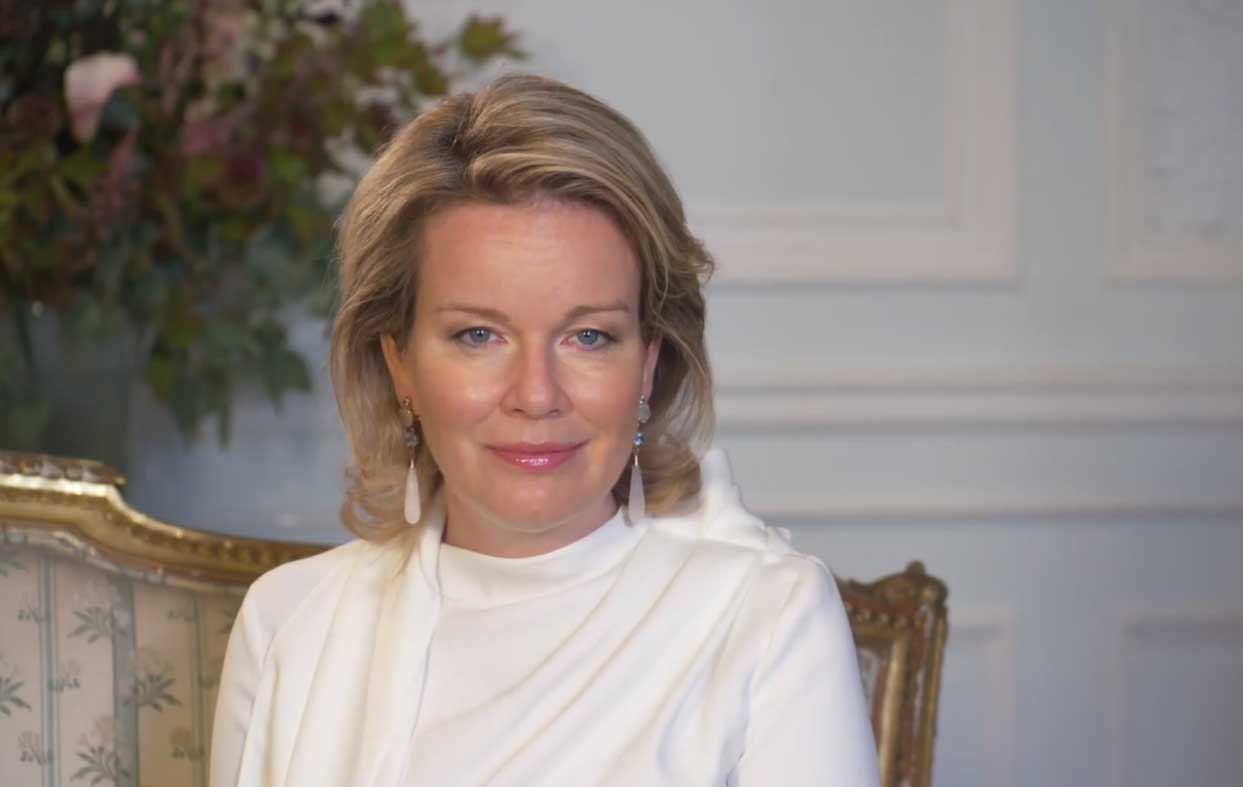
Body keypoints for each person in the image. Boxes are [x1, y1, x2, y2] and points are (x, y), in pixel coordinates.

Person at [208, 73, 880, 787]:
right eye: (478, 335)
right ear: (399, 363)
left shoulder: (766, 617)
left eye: (589, 337)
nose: (536, 394)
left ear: (648, 365)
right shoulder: (289, 623)